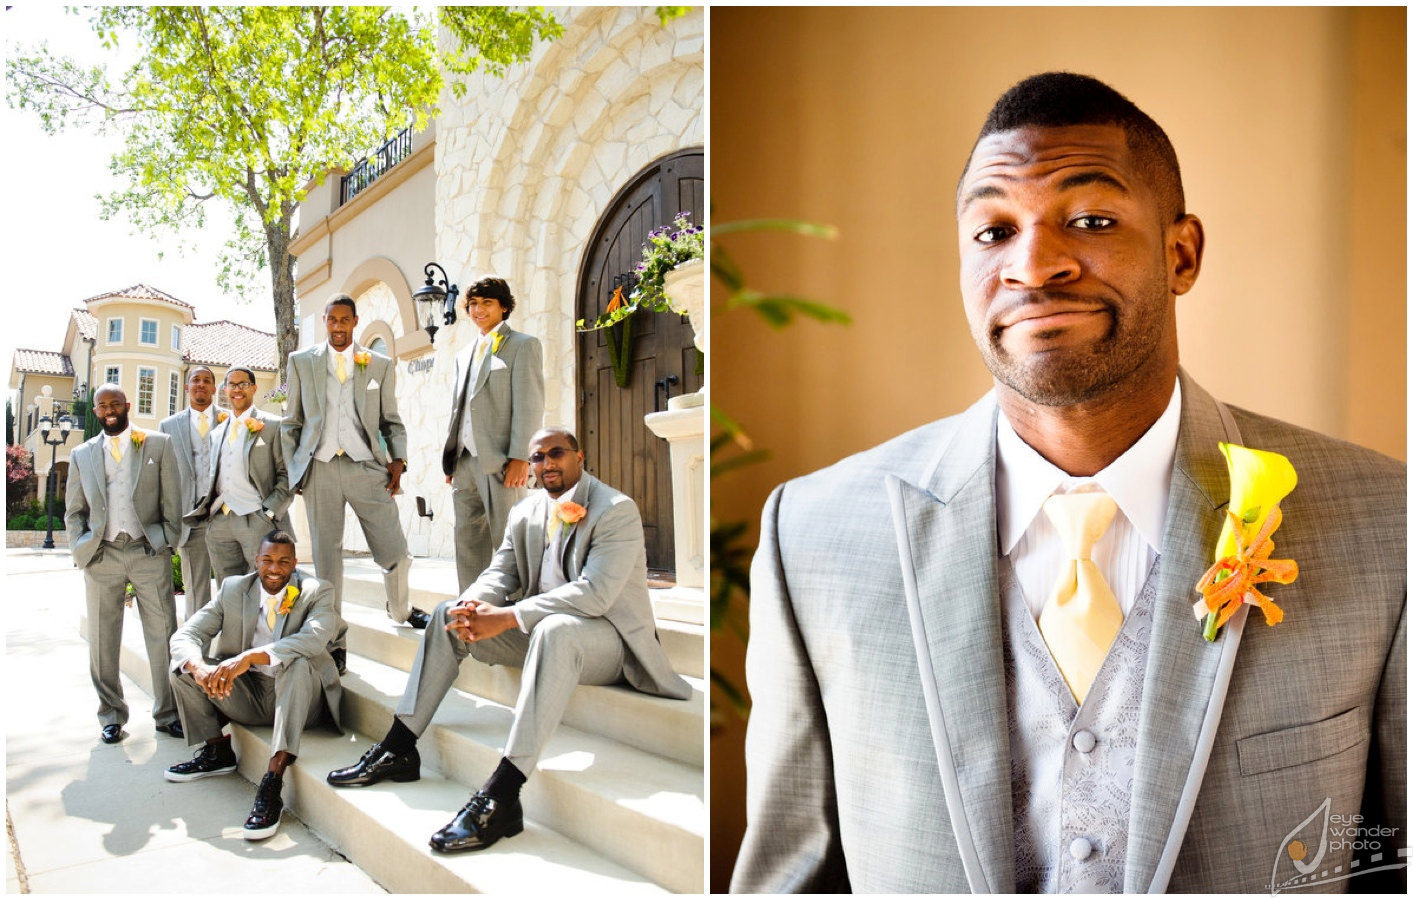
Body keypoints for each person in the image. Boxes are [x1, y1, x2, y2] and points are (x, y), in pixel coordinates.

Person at [730, 73, 1405, 894]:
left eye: (1089, 221)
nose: (1033, 266)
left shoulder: (1386, 526)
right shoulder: (812, 534)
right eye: (993, 232)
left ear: (1181, 254)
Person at [325, 427, 691, 854]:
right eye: (537, 457)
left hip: (609, 641)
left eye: (557, 453)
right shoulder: (526, 510)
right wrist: (473, 606)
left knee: (556, 629)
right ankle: (399, 748)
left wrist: (508, 617)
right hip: (542, 633)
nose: (546, 463)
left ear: (579, 457)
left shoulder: (615, 509)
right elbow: (502, 572)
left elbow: (595, 593)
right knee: (446, 614)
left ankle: (503, 792)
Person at [280, 294, 429, 676]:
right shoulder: (302, 362)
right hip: (320, 468)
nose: (338, 327)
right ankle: (334, 642)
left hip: (366, 467)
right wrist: (296, 471)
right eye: (332, 320)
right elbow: (292, 422)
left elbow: (390, 420)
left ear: (355, 321)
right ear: (325, 321)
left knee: (395, 549)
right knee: (327, 562)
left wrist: (398, 459)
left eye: (345, 320)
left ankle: (400, 609)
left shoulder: (379, 363)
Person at [164, 530, 342, 841]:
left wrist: (249, 657)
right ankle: (217, 751)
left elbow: (313, 639)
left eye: (284, 562)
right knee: (183, 667)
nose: (274, 569)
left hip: (302, 698)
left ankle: (272, 782)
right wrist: (200, 668)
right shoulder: (234, 589)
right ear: (256, 560)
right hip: (251, 695)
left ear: (295, 564)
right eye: (267, 560)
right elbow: (185, 636)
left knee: (298, 663)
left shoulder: (317, 591)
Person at [64, 383, 185, 744]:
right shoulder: (81, 453)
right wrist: (81, 548)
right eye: (102, 406)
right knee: (103, 638)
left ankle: (168, 713)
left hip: (147, 551)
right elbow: (74, 510)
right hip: (102, 554)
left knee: (163, 634)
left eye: (115, 404)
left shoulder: (157, 444)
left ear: (127, 405)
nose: (109, 410)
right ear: (96, 411)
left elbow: (172, 499)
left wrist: (166, 542)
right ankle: (111, 715)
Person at [441, 276, 545, 592]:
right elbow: (459, 409)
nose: (478, 310)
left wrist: (521, 457)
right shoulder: (463, 354)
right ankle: (471, 605)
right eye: (473, 304)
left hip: (502, 461)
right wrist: (451, 460)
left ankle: (514, 607)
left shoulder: (523, 345)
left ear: (503, 307)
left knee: (508, 539)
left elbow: (529, 405)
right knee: (467, 541)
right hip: (464, 462)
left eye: (487, 303)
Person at [185, 367, 292, 584]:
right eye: (232, 385)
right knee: (228, 589)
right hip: (220, 521)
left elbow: (288, 474)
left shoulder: (273, 426)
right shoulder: (217, 433)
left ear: (254, 388)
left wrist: (269, 512)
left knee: (265, 585)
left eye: (243, 384)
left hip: (257, 518)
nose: (237, 389)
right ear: (224, 390)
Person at [158, 365, 223, 622]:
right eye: (196, 380)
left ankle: (234, 644)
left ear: (214, 388)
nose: (201, 384)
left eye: (207, 380)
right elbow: (162, 475)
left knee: (235, 587)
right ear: (187, 387)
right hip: (190, 518)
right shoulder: (168, 426)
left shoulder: (230, 419)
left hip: (226, 517)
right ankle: (196, 644)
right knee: (196, 594)